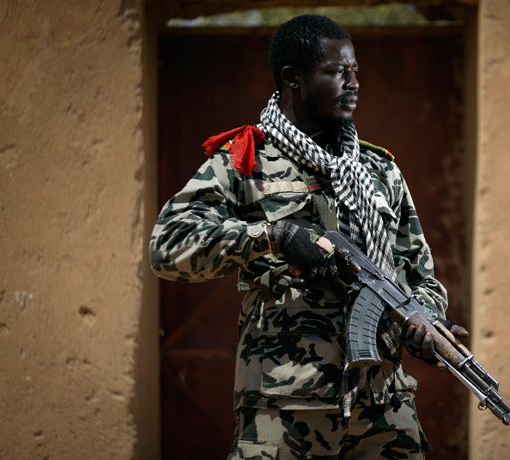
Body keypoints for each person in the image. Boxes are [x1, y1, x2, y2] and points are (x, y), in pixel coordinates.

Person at [150, 14, 467, 460]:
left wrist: (425, 320)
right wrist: (272, 235)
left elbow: (418, 274)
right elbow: (168, 246)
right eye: (337, 72)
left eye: (355, 71)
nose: (353, 83)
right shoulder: (245, 161)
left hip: (384, 408)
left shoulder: (378, 170)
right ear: (292, 78)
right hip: (285, 408)